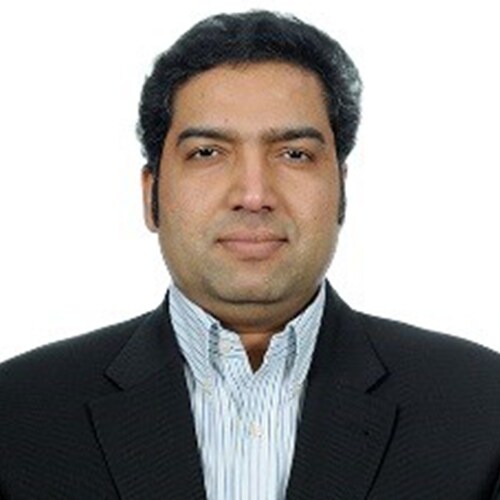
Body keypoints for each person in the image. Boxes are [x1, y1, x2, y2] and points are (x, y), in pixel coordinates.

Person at [1, 10, 499, 500]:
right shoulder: (18, 413)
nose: (254, 194)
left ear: (342, 190)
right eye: (207, 153)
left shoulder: (480, 406)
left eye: (294, 154)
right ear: (150, 194)